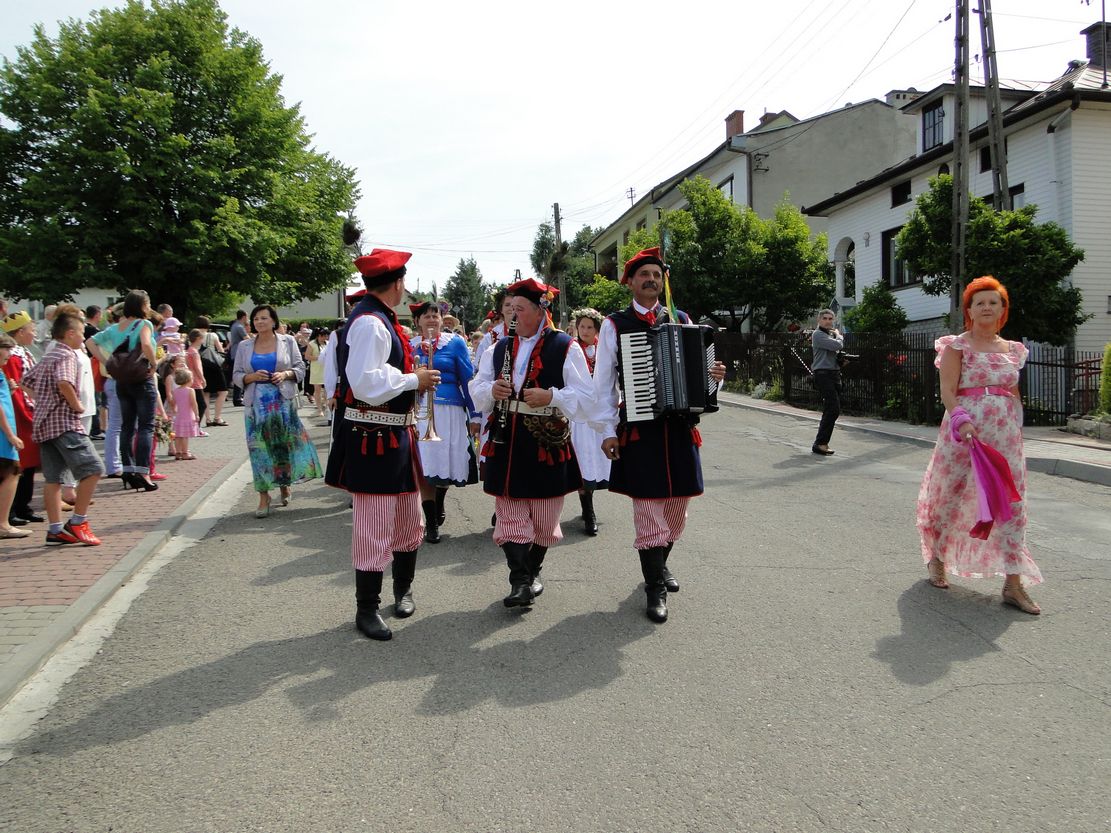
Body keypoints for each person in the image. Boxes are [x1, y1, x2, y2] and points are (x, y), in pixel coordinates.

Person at [591, 247, 726, 623]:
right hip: (641, 430)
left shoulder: (681, 318)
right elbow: (603, 384)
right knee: (649, 509)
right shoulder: (615, 324)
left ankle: (660, 564)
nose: (651, 280)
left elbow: (699, 372)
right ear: (630, 282)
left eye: (656, 275)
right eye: (644, 275)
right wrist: (606, 430)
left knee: (677, 510)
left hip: (680, 429)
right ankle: (655, 588)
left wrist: (713, 379)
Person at [324, 249, 440, 641]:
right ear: (398, 283)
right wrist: (413, 380)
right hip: (372, 438)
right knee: (374, 526)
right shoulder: (371, 323)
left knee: (410, 521)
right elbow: (365, 383)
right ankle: (367, 607)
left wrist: (411, 379)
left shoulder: (378, 319)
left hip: (395, 436)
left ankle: (402, 590)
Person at [916, 276, 1043, 615]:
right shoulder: (957, 346)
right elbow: (948, 390)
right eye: (979, 303)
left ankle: (1013, 583)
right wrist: (960, 420)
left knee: (1012, 504)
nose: (986, 307)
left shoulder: (1013, 350)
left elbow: (1012, 392)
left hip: (1005, 439)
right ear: (969, 310)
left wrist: (1017, 423)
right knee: (950, 495)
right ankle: (937, 557)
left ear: (1003, 309)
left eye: (993, 302)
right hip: (964, 435)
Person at [470, 278, 592, 608]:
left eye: (520, 309)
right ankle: (520, 582)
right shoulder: (498, 348)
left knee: (545, 519)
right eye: (509, 308)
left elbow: (586, 396)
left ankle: (532, 571)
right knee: (509, 514)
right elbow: (477, 385)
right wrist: (490, 390)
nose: (512, 315)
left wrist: (552, 396)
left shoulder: (565, 346)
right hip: (506, 438)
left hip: (545, 439)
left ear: (540, 311)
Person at [231, 305, 321, 518]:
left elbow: (300, 368)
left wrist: (285, 374)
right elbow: (236, 374)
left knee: (282, 447)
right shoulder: (244, 345)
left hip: (282, 403)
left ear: (273, 321)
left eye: (264, 318)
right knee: (259, 450)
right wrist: (251, 377)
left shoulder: (287, 341)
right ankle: (263, 496)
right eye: (256, 319)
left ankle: (284, 484)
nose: (259, 322)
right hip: (255, 405)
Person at [23, 312, 104, 545]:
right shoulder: (67, 354)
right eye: (81, 333)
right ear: (70, 334)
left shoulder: (49, 354)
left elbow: (26, 382)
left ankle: (55, 529)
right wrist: (76, 404)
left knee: (54, 478)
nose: (83, 337)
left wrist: (44, 400)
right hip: (64, 422)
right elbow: (64, 382)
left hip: (44, 424)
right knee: (93, 469)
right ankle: (78, 522)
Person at [409, 301, 480, 543]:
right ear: (417, 321)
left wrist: (475, 414)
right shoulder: (410, 345)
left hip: (450, 411)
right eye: (426, 316)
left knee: (445, 462)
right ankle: (430, 522)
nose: (432, 319)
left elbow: (467, 379)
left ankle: (438, 501)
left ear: (442, 320)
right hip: (421, 410)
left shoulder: (455, 343)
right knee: (426, 464)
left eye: (435, 315)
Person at [87, 290, 160, 492]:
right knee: (145, 427)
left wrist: (107, 362)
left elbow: (90, 342)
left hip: (122, 381)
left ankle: (127, 470)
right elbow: (146, 344)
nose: (149, 307)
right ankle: (143, 472)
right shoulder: (144, 324)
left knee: (127, 426)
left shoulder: (114, 327)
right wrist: (154, 363)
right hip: (141, 379)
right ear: (142, 306)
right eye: (147, 304)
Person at [570, 308, 609, 536]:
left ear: (597, 330)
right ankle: (588, 511)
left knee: (596, 458)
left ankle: (589, 504)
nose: (585, 331)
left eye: (589, 327)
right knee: (583, 460)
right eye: (581, 327)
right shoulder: (571, 349)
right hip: (580, 414)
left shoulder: (604, 349)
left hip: (599, 411)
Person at [1, 312, 43, 524]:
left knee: (28, 464)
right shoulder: (13, 356)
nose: (34, 334)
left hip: (25, 413)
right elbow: (16, 389)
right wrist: (29, 414)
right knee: (21, 465)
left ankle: (23, 506)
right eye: (31, 330)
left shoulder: (22, 352)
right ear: (19, 332)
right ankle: (15, 509)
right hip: (20, 416)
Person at [0, 334, 29, 538]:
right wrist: (10, 435)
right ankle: (3, 524)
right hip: (3, 433)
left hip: (5, 429)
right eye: (6, 349)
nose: (9, 354)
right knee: (12, 472)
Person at [810, 309, 843, 456]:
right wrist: (839, 336)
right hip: (823, 375)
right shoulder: (818, 334)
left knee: (831, 409)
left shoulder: (829, 335)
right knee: (833, 408)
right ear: (819, 320)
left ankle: (822, 443)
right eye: (825, 318)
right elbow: (837, 345)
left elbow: (832, 353)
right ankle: (820, 443)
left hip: (833, 374)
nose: (828, 321)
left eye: (830, 319)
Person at [195, 316, 228, 426]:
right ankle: (217, 417)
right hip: (214, 366)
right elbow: (220, 350)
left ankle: (208, 419)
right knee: (223, 391)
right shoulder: (212, 335)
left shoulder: (193, 334)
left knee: (206, 393)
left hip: (200, 365)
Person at [167, 367, 201, 460]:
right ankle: (185, 453)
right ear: (188, 380)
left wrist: (174, 411)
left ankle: (178, 453)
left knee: (178, 435)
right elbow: (193, 404)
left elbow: (173, 403)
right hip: (188, 416)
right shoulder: (190, 390)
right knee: (185, 436)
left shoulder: (175, 391)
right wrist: (197, 414)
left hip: (178, 416)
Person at [227, 309, 249, 406]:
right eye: (247, 317)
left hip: (234, 352)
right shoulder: (239, 327)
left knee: (235, 374)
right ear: (244, 317)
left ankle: (237, 397)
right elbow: (247, 339)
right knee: (240, 374)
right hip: (238, 353)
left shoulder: (234, 325)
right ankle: (237, 398)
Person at [305, 327, 328, 417]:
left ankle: (326, 404)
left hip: (326, 369)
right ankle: (319, 409)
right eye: (323, 336)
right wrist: (318, 358)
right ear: (318, 336)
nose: (325, 338)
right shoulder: (312, 344)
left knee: (327, 389)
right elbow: (307, 356)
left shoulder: (328, 343)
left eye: (326, 336)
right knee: (317, 390)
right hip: (316, 369)